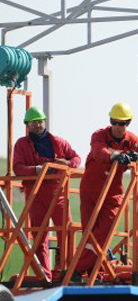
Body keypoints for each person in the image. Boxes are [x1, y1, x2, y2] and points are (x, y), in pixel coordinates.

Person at [75, 102, 138, 279]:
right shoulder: (99, 135)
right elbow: (99, 152)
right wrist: (115, 155)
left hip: (112, 191)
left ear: (128, 123)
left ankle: (77, 269)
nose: (118, 126)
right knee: (89, 232)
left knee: (105, 229)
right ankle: (93, 271)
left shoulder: (132, 140)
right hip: (91, 188)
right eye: (114, 122)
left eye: (122, 123)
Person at [13, 106, 81, 281]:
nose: (38, 125)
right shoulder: (21, 144)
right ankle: (44, 275)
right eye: (33, 123)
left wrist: (67, 163)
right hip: (35, 194)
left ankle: (68, 271)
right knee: (38, 235)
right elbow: (17, 168)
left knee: (66, 231)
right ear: (27, 125)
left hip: (58, 193)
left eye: (40, 121)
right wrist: (37, 169)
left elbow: (76, 158)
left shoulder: (58, 142)